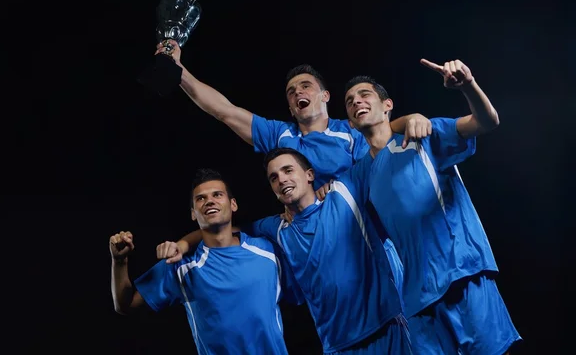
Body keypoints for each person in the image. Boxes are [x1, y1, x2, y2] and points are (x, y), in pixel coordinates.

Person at [154, 40, 431, 291]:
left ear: (325, 96)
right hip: (315, 246)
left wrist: (410, 119)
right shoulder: (280, 135)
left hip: (364, 240)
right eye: (291, 91)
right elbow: (224, 111)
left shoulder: (350, 132)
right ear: (290, 108)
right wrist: (179, 72)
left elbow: (380, 143)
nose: (298, 91)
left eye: (306, 86)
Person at [343, 58, 522, 354]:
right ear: (350, 122)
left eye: (364, 95)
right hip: (417, 300)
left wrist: (468, 85)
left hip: (462, 274)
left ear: (387, 104)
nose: (356, 101)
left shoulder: (422, 135)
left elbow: (487, 121)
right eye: (349, 101)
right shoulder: (361, 174)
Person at [159, 148, 412, 354]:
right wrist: (182, 244)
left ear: (309, 174)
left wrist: (411, 119)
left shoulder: (345, 191)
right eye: (273, 177)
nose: (281, 179)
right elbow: (219, 227)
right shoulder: (274, 228)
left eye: (288, 170)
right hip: (336, 345)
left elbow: (381, 144)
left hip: (386, 328)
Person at [110, 168, 300, 355]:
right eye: (200, 198)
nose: (209, 201)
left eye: (217, 195)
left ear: (233, 204)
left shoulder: (268, 251)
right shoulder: (182, 267)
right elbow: (124, 305)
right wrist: (119, 261)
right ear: (193, 213)